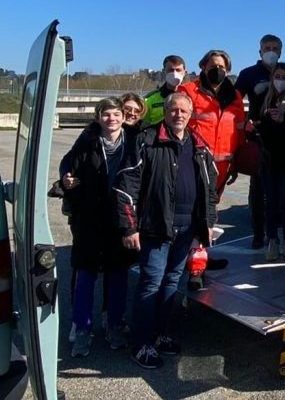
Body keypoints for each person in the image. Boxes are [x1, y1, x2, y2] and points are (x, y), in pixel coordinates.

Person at [115, 93, 218, 369]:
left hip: (186, 231)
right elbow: (127, 185)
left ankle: (161, 335)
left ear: (191, 113)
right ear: (165, 111)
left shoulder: (198, 144)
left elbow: (209, 188)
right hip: (156, 229)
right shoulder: (147, 140)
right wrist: (129, 227)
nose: (179, 114)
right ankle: (141, 344)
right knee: (151, 284)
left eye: (184, 110)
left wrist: (207, 222)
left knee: (172, 282)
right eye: (173, 109)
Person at [60, 97, 138, 357]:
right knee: (85, 276)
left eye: (117, 114)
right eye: (106, 114)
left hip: (120, 220)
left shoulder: (135, 142)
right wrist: (66, 177)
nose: (112, 119)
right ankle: (82, 329)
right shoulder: (87, 141)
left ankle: (114, 325)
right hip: (90, 220)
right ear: (98, 117)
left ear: (123, 117)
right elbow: (67, 163)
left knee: (118, 276)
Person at [178, 50, 245, 289]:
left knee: (209, 214)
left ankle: (201, 256)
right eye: (214, 65)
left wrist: (236, 162)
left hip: (223, 166)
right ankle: (193, 266)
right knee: (194, 213)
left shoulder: (234, 95)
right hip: (195, 164)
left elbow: (237, 130)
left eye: (223, 66)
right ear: (203, 66)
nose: (219, 70)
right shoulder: (188, 91)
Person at [235, 34, 283, 250]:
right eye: (267, 47)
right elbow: (234, 104)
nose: (271, 51)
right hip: (258, 139)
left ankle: (278, 231)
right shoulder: (248, 74)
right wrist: (244, 124)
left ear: (280, 51)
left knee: (281, 187)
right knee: (258, 188)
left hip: (281, 138)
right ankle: (258, 233)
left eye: (274, 48)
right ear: (260, 51)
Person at [249, 62, 285, 261]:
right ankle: (272, 240)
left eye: (284, 77)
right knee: (270, 202)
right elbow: (257, 130)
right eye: (277, 76)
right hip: (267, 160)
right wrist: (263, 123)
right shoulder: (262, 98)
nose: (280, 81)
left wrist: (283, 121)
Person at [142, 55, 186, 127]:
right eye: (170, 70)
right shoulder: (150, 100)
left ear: (184, 72)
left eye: (178, 70)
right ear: (164, 71)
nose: (174, 74)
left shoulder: (191, 97)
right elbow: (143, 125)